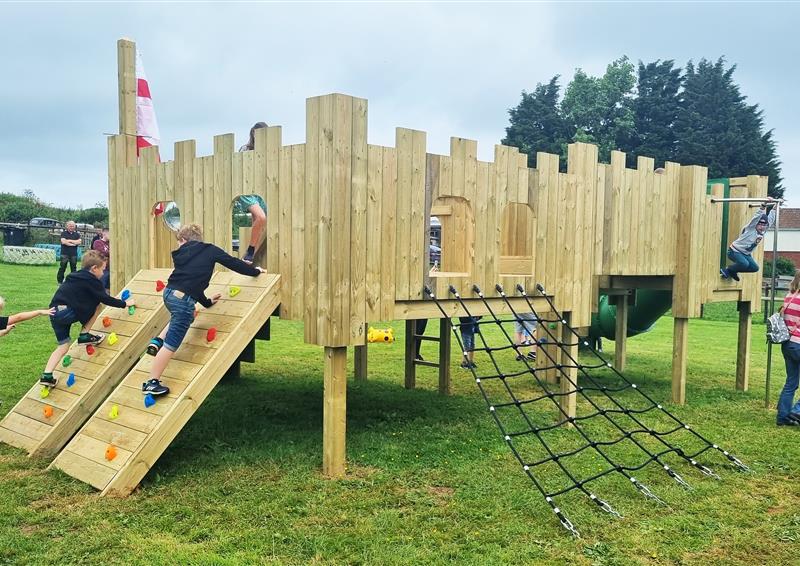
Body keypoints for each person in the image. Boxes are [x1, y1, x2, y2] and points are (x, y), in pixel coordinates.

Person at [143, 223, 264, 397]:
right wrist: (255, 271)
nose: (178, 246)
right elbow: (233, 263)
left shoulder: (182, 256)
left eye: (179, 242)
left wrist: (206, 303)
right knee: (172, 344)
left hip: (170, 294)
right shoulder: (210, 250)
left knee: (184, 316)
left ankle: (158, 340)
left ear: (184, 240)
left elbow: (193, 284)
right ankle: (151, 382)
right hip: (183, 300)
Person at [39, 250, 134, 387]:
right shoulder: (92, 280)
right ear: (94, 268)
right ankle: (84, 335)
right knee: (98, 304)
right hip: (67, 312)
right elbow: (105, 298)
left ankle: (47, 375)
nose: (103, 272)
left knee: (63, 346)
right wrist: (125, 304)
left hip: (54, 312)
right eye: (103, 269)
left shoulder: (74, 275)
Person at [720, 198, 777, 281]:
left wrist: (775, 207)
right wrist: (764, 205)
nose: (762, 227)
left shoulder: (763, 230)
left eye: (764, 225)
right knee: (744, 264)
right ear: (756, 224)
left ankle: (733, 271)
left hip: (745, 254)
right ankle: (728, 270)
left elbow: (771, 219)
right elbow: (756, 217)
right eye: (760, 224)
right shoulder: (751, 228)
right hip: (734, 251)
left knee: (754, 268)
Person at [237, 122, 269, 263]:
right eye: (255, 134)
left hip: (261, 191)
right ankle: (250, 251)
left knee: (259, 224)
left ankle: (248, 260)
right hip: (247, 191)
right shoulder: (246, 149)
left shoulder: (271, 150)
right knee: (261, 218)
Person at [778, 270, 800, 426]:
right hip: (799, 343)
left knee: (791, 382)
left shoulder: (788, 297)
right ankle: (796, 412)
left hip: (787, 344)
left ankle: (783, 417)